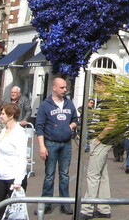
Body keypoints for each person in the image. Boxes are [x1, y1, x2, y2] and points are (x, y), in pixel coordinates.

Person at [36, 77, 78, 215]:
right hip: (51, 143)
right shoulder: (45, 105)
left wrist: (69, 127)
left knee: (64, 174)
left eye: (65, 87)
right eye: (62, 87)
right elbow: (39, 127)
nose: (65, 90)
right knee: (49, 174)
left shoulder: (69, 104)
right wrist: (42, 146)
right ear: (54, 88)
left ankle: (65, 203)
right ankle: (46, 203)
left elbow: (75, 120)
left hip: (66, 144)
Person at [0, 103, 28, 220]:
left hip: (13, 178)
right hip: (0, 176)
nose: (0, 116)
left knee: (13, 213)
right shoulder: (4, 131)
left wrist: (18, 181)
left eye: (3, 114)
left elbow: (22, 158)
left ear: (11, 116)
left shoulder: (19, 133)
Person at [78, 105, 114, 220]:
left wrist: (98, 138)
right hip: (102, 143)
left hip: (102, 143)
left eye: (97, 85)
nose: (95, 88)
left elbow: (112, 122)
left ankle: (87, 209)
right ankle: (104, 208)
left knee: (93, 175)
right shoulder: (103, 102)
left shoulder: (108, 101)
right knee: (103, 176)